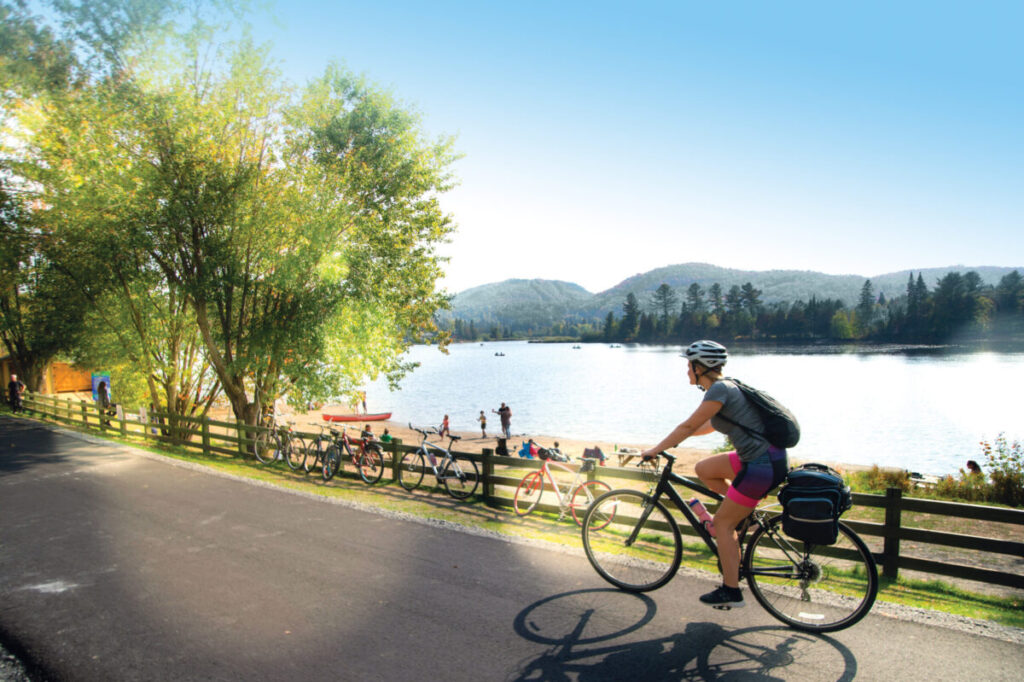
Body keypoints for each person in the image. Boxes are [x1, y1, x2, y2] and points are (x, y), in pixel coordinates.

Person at [640, 340, 788, 610]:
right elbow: (705, 426)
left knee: (722, 525)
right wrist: (672, 440)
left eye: (689, 365)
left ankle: (731, 591)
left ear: (700, 367)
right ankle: (742, 514)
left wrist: (655, 450)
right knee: (704, 469)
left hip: (760, 465)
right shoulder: (727, 387)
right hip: (763, 459)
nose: (687, 370)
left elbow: (688, 426)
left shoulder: (719, 389)